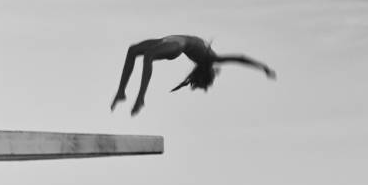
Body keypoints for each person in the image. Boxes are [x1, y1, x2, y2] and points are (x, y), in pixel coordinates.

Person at [109, 34, 276, 116]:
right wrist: (263, 68)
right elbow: (240, 58)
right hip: (166, 41)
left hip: (175, 45)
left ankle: (140, 99)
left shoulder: (211, 58)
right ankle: (121, 92)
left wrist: (264, 67)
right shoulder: (207, 60)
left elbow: (240, 58)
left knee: (148, 56)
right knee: (132, 50)